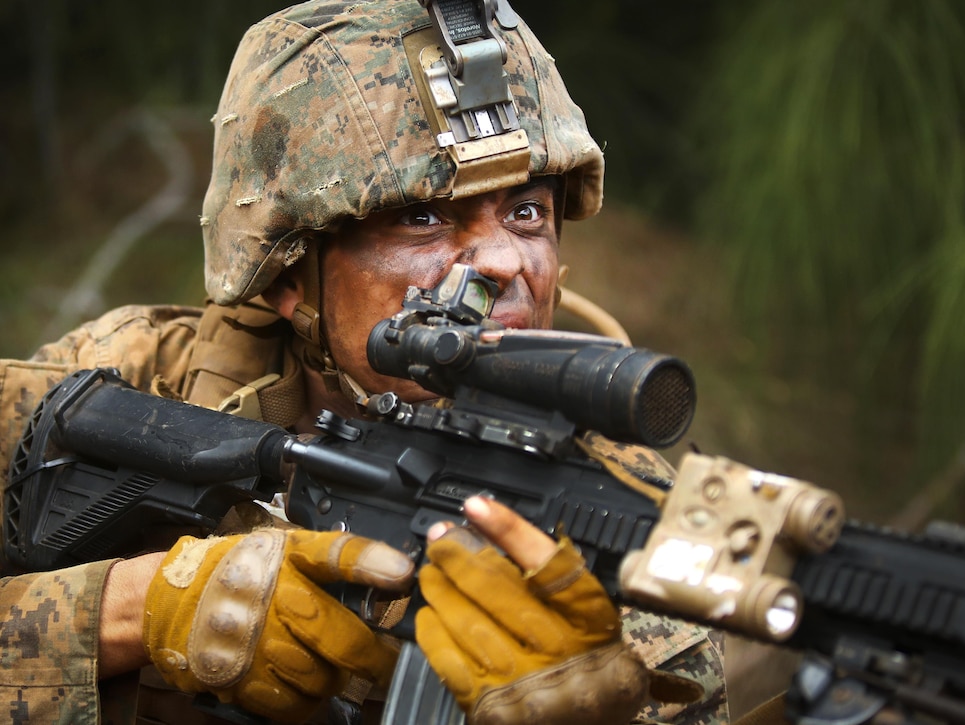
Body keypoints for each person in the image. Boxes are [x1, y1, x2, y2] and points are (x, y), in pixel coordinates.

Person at [0, 1, 734, 723]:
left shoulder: (637, 517)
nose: (507, 260)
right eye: (423, 217)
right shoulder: (128, 376)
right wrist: (131, 609)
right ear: (289, 275)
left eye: (526, 212)